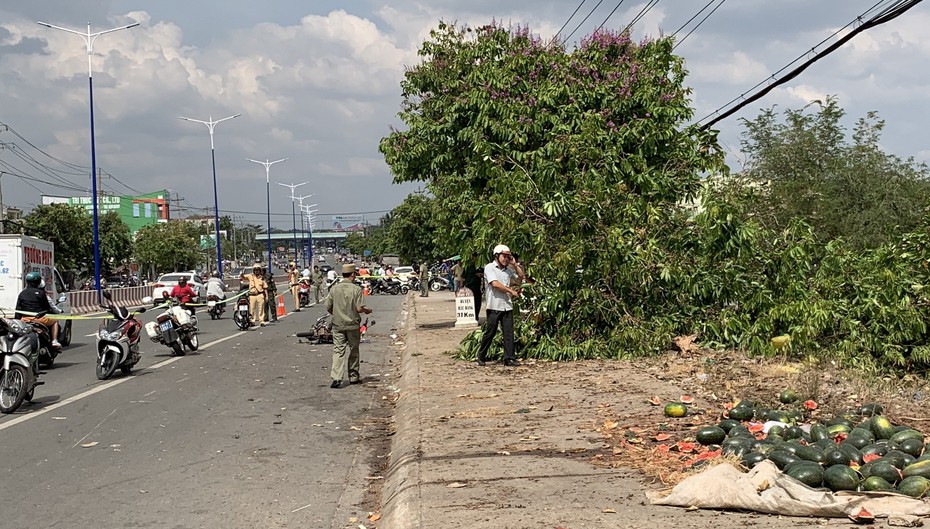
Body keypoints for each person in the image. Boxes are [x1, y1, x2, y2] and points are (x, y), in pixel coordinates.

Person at [475, 244, 525, 367]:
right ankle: (481, 355)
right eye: (504, 256)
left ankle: (509, 358)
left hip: (506, 305)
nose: (506, 259)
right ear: (497, 256)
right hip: (494, 306)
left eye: (508, 256)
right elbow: (495, 284)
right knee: (490, 332)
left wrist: (515, 265)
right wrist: (511, 291)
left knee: (508, 333)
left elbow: (520, 278)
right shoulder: (489, 267)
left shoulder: (508, 270)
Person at [325, 264, 372, 388]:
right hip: (352, 325)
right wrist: (367, 310)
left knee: (338, 351)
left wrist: (336, 314)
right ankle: (353, 376)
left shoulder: (334, 289)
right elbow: (359, 308)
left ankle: (336, 378)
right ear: (352, 275)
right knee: (354, 350)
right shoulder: (356, 289)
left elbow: (328, 306)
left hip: (338, 325)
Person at [15, 271, 60, 348]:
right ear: (39, 282)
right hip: (40, 319)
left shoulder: (22, 293)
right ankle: (54, 341)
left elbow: (18, 310)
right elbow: (47, 308)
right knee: (55, 321)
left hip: (25, 320)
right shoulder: (41, 293)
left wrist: (17, 321)